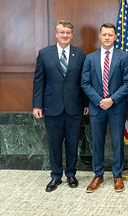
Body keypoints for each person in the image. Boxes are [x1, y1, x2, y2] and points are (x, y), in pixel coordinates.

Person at [32, 20, 89, 192]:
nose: (65, 35)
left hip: (75, 107)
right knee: (54, 143)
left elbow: (84, 81)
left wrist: (86, 103)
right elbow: (39, 81)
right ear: (56, 34)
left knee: (72, 143)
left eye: (68, 33)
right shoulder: (44, 54)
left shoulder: (80, 54)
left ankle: (71, 174)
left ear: (72, 35)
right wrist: (37, 105)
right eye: (62, 32)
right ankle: (56, 176)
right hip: (51, 107)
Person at [81, 23, 128, 193]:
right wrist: (99, 100)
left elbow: (127, 83)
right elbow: (85, 83)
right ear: (100, 36)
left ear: (115, 37)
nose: (108, 37)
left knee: (118, 142)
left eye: (111, 34)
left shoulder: (123, 57)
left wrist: (111, 99)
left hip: (117, 107)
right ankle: (98, 175)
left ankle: (117, 176)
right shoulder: (90, 58)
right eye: (105, 34)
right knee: (97, 142)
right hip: (97, 107)